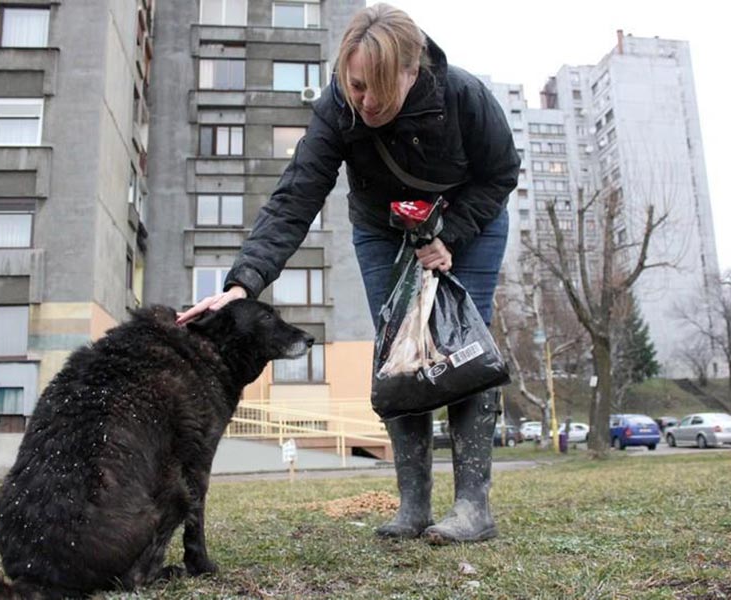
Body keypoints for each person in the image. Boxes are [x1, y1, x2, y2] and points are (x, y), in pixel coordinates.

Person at [177, 3, 520, 544]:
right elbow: (296, 197)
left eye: (378, 87)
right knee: (396, 353)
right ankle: (413, 506)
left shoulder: (463, 96)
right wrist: (242, 284)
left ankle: (474, 508)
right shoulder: (339, 108)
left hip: (468, 223)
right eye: (356, 86)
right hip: (383, 228)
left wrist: (448, 237)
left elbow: (501, 173)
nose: (365, 101)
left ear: (413, 71)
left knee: (463, 350)